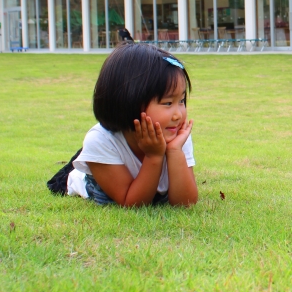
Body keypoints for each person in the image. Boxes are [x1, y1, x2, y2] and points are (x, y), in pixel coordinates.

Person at [53, 43, 197, 207]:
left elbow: (186, 203)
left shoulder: (175, 134)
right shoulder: (100, 141)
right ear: (128, 100)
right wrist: (154, 156)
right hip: (103, 180)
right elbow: (133, 203)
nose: (179, 114)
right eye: (168, 103)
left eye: (182, 101)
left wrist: (174, 151)